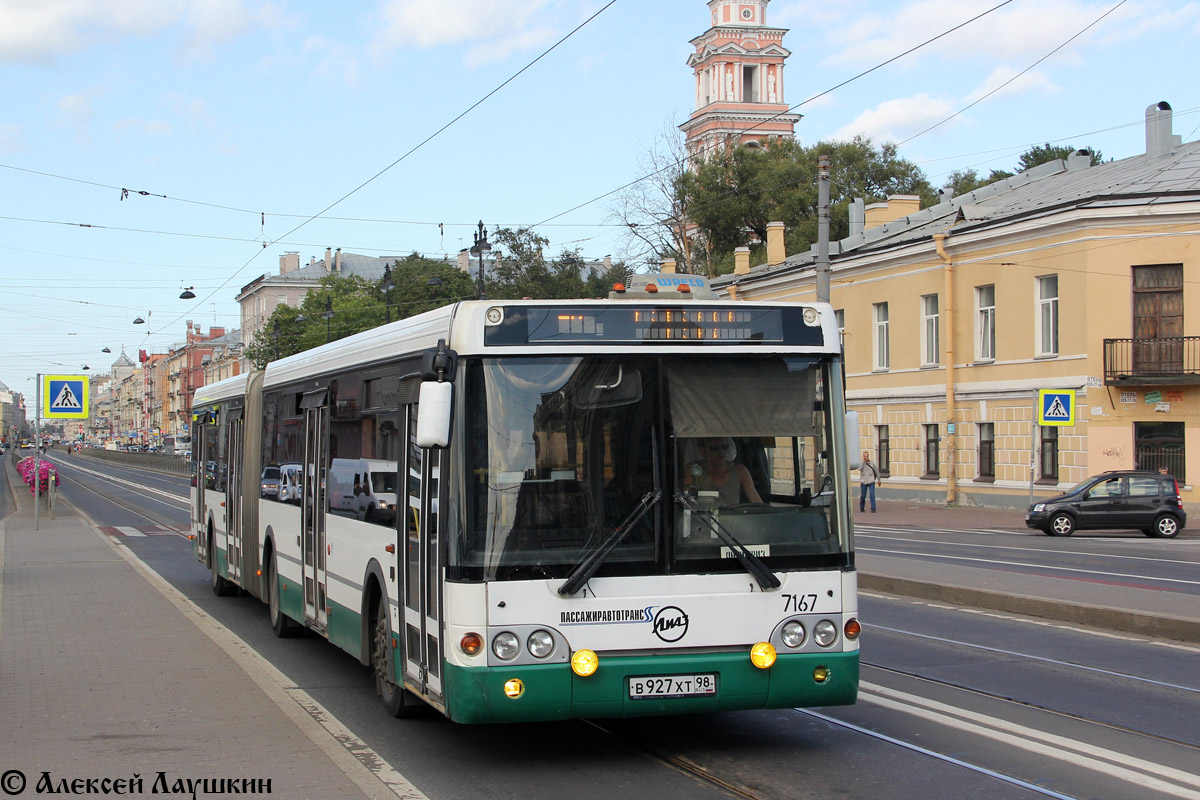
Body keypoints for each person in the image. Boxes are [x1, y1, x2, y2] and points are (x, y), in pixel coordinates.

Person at [688, 437, 762, 507]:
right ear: (701, 450)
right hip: (702, 520)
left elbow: (758, 504)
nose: (721, 453)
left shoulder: (740, 471)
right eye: (714, 448)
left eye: (724, 447)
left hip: (734, 519)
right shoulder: (694, 471)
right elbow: (685, 502)